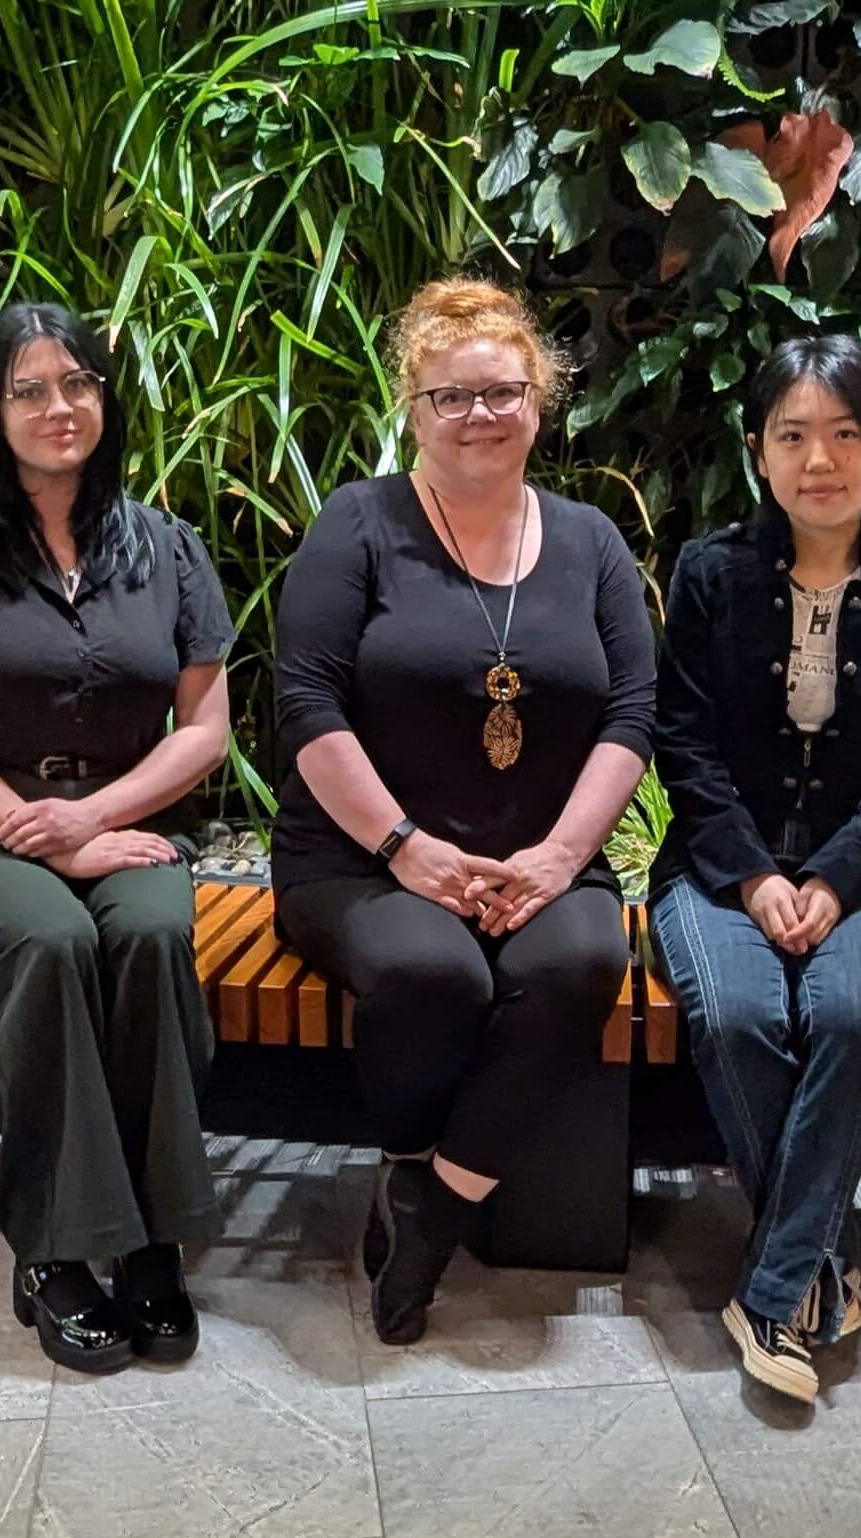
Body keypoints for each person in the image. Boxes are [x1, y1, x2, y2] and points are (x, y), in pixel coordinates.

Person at [271, 278, 657, 1346]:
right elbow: (304, 698)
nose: (480, 415)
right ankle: (409, 1159)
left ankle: (430, 1208)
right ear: (413, 406)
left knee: (576, 962)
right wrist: (405, 848)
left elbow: (634, 709)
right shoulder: (359, 525)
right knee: (431, 968)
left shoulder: (588, 540)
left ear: (541, 399)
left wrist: (559, 856)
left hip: (546, 853)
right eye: (452, 397)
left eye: (501, 391)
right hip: (360, 855)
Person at [0, 302, 233, 1375]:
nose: (57, 408)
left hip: (123, 822)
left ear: (105, 398)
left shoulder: (165, 544)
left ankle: (152, 1239)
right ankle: (57, 1247)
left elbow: (207, 729)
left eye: (76, 383)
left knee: (146, 939)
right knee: (52, 943)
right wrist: (47, 839)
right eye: (28, 389)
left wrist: (96, 819)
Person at [647, 336, 861, 1404]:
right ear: (758, 451)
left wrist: (831, 876)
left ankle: (770, 1286)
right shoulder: (708, 574)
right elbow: (681, 743)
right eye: (792, 435)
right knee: (736, 1013)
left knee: (860, 1019)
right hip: (713, 868)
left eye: (845, 434)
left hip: (859, 872)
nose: (819, 459)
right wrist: (751, 877)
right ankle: (820, 1265)